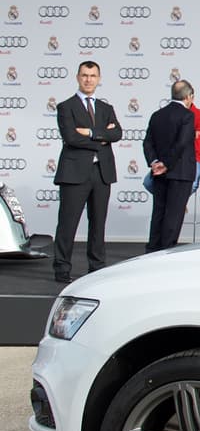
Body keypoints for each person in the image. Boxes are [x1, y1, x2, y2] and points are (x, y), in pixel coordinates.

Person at [52, 60, 122, 283]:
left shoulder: (106, 108)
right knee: (68, 223)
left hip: (102, 173)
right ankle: (62, 268)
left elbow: (117, 134)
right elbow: (71, 138)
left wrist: (90, 133)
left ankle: (97, 267)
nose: (88, 79)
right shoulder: (66, 107)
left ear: (99, 79)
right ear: (77, 77)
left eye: (92, 76)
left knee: (98, 223)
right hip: (74, 173)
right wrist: (101, 137)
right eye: (84, 75)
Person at [142, 80, 197, 252]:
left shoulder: (157, 115)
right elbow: (182, 143)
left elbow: (147, 143)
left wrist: (155, 163)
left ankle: (152, 250)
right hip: (180, 173)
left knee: (159, 213)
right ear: (189, 97)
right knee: (174, 215)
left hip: (159, 173)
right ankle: (166, 252)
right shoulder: (187, 116)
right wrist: (166, 164)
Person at [143, 82, 200, 197]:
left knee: (191, 184)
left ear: (192, 97)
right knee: (148, 182)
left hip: (192, 159)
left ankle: (179, 203)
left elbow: (197, 145)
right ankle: (175, 202)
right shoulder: (166, 114)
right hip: (168, 157)